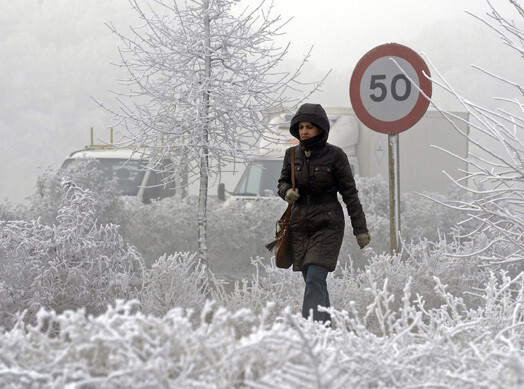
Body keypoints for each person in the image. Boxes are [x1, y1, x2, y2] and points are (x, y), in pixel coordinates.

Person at [277, 103, 371, 324]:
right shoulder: (291, 154)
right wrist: (286, 191)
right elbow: (281, 182)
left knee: (315, 278)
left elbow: (350, 195)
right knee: (314, 282)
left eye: (310, 126)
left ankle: (310, 332)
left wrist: (361, 229)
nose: (305, 131)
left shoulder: (336, 156)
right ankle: (327, 333)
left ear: (321, 128)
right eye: (301, 127)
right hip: (300, 225)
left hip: (328, 224)